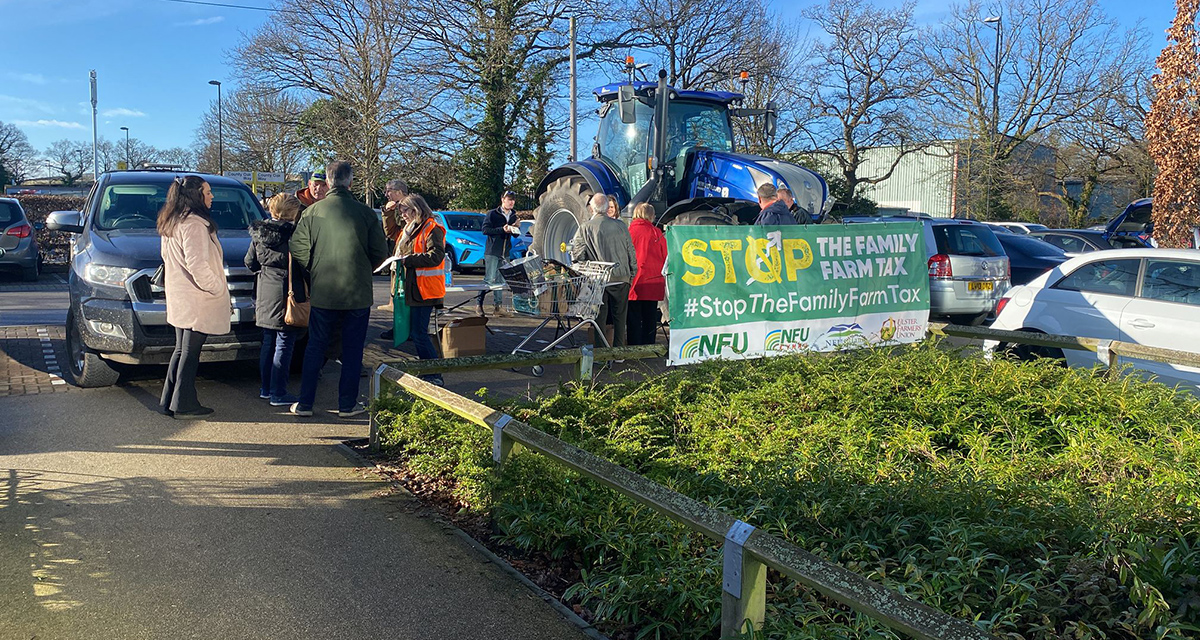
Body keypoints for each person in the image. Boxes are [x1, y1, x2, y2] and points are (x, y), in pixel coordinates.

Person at [289, 161, 389, 418]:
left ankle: (305, 403)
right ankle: (347, 404)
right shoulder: (365, 213)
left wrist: (315, 267)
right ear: (350, 183)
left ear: (328, 183)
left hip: (323, 290)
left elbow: (297, 247)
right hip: (356, 293)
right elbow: (381, 253)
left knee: (316, 346)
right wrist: (363, 268)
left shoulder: (312, 212)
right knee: (353, 349)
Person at [157, 175, 229, 419]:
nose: (211, 196)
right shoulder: (194, 224)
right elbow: (197, 264)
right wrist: (217, 287)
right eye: (207, 192)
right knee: (189, 353)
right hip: (196, 298)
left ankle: (170, 400)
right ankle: (185, 404)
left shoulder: (173, 220)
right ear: (196, 194)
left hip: (181, 296)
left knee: (181, 350)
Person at [245, 193, 306, 407]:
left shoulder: (259, 233)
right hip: (287, 291)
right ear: (293, 212)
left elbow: (250, 262)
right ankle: (279, 392)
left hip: (264, 291)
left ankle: (265, 388)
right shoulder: (295, 234)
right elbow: (303, 263)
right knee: (285, 343)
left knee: (268, 342)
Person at [393, 193, 447, 386]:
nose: (403, 215)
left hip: (426, 290)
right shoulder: (411, 229)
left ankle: (434, 374)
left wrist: (408, 260)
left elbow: (436, 256)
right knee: (417, 333)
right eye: (400, 211)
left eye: (405, 211)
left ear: (416, 209)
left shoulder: (432, 228)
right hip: (415, 288)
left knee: (419, 333)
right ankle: (428, 372)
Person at [571, 193, 637, 347]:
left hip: (598, 279)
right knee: (620, 318)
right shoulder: (621, 225)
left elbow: (578, 255)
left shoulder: (585, 227)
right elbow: (630, 251)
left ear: (592, 208)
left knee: (599, 318)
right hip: (621, 277)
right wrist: (632, 273)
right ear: (607, 207)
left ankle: (602, 353)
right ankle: (619, 351)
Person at [627, 203, 666, 346]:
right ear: (651, 215)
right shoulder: (657, 233)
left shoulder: (629, 231)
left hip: (634, 281)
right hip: (653, 280)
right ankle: (648, 346)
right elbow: (665, 255)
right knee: (650, 318)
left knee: (633, 318)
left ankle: (633, 346)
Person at [477, 189, 519, 316]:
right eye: (509, 199)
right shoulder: (492, 214)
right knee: (489, 279)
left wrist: (516, 228)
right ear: (502, 200)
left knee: (500, 280)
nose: (511, 202)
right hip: (492, 251)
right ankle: (479, 305)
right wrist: (502, 229)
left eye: (513, 200)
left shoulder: (514, 215)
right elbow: (485, 230)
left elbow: (516, 235)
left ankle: (498, 307)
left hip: (505, 252)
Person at [380, 178, 410, 244]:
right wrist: (388, 212)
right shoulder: (393, 208)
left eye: (388, 191)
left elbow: (394, 234)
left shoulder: (413, 207)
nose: (386, 195)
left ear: (399, 192)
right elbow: (391, 233)